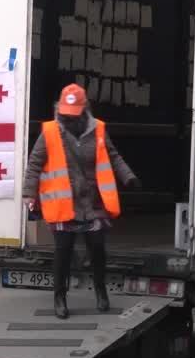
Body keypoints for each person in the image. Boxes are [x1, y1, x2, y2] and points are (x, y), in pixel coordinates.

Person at [22, 84, 139, 319]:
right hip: (64, 204)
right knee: (63, 251)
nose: (69, 117)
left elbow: (113, 156)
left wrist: (128, 176)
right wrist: (28, 193)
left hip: (92, 203)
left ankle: (100, 291)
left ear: (84, 109)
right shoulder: (50, 131)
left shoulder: (98, 130)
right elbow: (35, 163)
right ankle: (60, 297)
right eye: (66, 112)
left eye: (74, 112)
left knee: (97, 248)